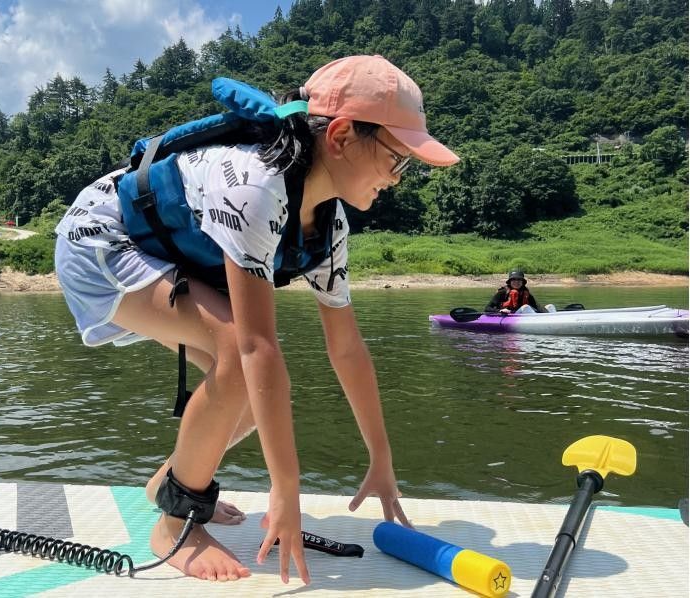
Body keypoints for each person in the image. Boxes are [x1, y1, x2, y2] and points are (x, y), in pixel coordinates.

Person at [54, 55, 459, 584]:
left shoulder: (328, 227)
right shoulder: (254, 185)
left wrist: (381, 459)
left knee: (249, 389)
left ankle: (171, 484)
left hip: (161, 255)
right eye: (396, 159)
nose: (397, 179)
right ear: (340, 136)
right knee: (241, 363)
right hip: (100, 241)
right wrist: (284, 489)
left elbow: (348, 349)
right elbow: (254, 347)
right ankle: (177, 523)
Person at [485, 270, 550, 314]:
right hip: (506, 316)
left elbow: (537, 306)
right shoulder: (502, 292)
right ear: (510, 282)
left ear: (522, 282)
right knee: (526, 307)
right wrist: (499, 310)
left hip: (522, 315)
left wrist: (547, 314)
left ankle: (551, 318)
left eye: (519, 280)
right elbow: (487, 308)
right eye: (513, 280)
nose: (516, 282)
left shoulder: (526, 293)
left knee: (550, 306)